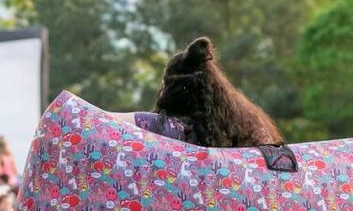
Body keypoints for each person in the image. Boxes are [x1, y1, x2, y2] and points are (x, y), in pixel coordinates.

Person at [112, 37, 282, 147]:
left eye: (164, 85)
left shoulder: (168, 128)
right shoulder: (250, 125)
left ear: (174, 91)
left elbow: (103, 119)